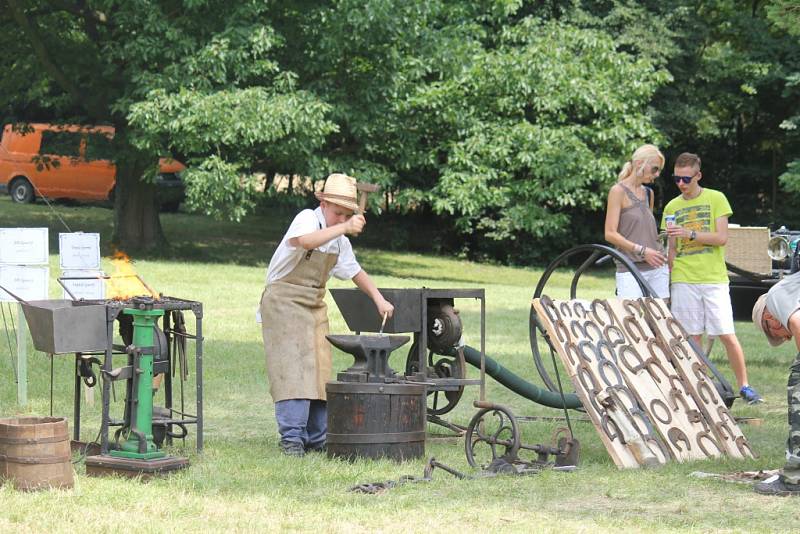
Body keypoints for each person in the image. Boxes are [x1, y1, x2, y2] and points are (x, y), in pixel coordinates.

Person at [259, 173, 394, 457]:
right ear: (323, 203)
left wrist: (379, 299)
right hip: (284, 301)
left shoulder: (339, 241)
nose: (340, 218)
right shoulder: (307, 219)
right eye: (337, 212)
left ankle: (317, 438)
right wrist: (344, 226)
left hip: (314, 304)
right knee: (292, 369)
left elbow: (355, 272)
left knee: (320, 370)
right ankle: (292, 439)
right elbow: (305, 242)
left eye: (347, 214)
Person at [662, 152, 762, 404]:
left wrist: (690, 233)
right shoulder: (672, 207)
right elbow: (672, 247)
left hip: (713, 277)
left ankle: (745, 387)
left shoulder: (716, 198)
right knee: (692, 336)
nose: (681, 184)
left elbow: (721, 238)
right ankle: (698, 386)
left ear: (698, 176)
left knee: (726, 333)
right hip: (684, 277)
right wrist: (672, 273)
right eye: (676, 179)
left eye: (686, 179)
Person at [751, 272, 800, 495]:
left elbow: (797, 323)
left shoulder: (776, 295)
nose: (786, 338)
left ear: (769, 319)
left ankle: (794, 479)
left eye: (778, 334)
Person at [604, 144, 669, 298]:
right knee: (630, 318)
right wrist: (642, 250)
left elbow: (644, 231)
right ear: (640, 163)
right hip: (629, 267)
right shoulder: (618, 191)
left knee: (660, 319)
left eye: (659, 170)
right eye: (655, 169)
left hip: (657, 266)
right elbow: (610, 234)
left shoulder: (649, 193)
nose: (657, 174)